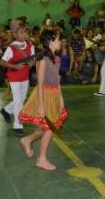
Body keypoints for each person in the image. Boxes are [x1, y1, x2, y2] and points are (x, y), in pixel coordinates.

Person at [19, 30, 68, 171]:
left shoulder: (55, 58)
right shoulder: (43, 59)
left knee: (48, 127)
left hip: (53, 94)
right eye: (59, 39)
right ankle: (42, 159)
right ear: (51, 41)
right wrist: (41, 105)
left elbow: (57, 81)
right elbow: (40, 83)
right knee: (50, 128)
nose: (61, 42)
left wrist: (60, 99)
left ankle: (27, 139)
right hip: (44, 94)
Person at [0, 21, 35, 136]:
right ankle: (18, 125)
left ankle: (6, 110)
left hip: (25, 76)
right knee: (19, 101)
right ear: (15, 34)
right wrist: (15, 66)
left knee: (21, 99)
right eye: (21, 32)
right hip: (14, 77)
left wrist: (32, 64)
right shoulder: (11, 48)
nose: (23, 34)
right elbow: (2, 62)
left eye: (24, 32)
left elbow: (33, 60)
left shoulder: (30, 46)